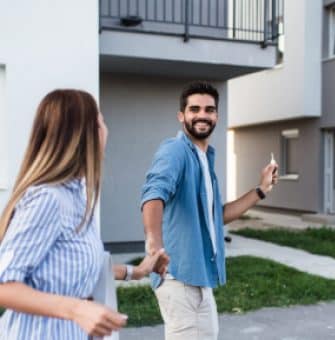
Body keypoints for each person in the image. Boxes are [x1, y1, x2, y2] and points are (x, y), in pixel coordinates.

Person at [0, 89, 168, 339]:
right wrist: (78, 309)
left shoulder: (76, 196)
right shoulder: (48, 199)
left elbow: (68, 270)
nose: (106, 129)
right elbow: (5, 286)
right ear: (86, 134)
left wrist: (137, 271)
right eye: (101, 121)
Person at [141, 81, 278, 340]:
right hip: (179, 277)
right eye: (194, 109)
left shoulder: (204, 158)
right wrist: (154, 246)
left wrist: (261, 189)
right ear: (182, 116)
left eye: (209, 109)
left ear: (216, 116)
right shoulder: (176, 151)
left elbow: (217, 217)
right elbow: (153, 195)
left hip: (200, 278)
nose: (202, 115)